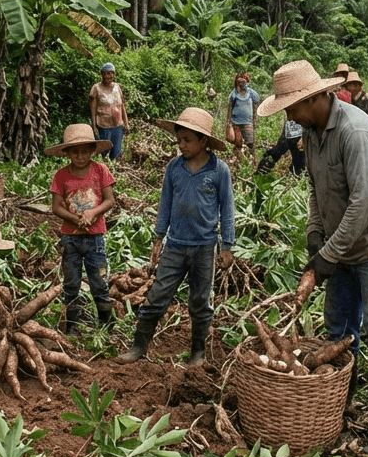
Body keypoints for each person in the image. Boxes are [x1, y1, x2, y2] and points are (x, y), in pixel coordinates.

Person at [257, 60, 368, 457]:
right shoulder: (311, 134)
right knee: (339, 330)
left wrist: (326, 256)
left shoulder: (354, 131)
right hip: (341, 247)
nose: (289, 116)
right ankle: (335, 407)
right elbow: (315, 190)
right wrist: (314, 236)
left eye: (291, 107)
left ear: (312, 98)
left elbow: (364, 204)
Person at [117, 108, 234, 367]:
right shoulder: (175, 167)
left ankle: (197, 353)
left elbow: (227, 209)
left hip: (204, 246)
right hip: (176, 245)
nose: (181, 145)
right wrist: (158, 238)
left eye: (187, 140)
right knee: (158, 295)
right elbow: (165, 204)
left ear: (204, 141)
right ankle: (138, 347)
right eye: (179, 140)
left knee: (200, 301)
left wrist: (227, 245)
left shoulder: (219, 170)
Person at [47, 124, 117, 333]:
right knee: (71, 284)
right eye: (75, 151)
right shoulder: (61, 176)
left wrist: (91, 214)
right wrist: (74, 218)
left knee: (99, 282)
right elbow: (56, 207)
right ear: (66, 153)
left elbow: (109, 200)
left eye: (84, 151)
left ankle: (106, 326)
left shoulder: (100, 170)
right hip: (71, 238)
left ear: (92, 150)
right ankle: (72, 328)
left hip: (95, 238)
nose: (80, 156)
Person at [89, 63, 128, 160]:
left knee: (116, 151)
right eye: (105, 73)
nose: (108, 76)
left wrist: (126, 123)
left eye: (110, 73)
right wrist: (94, 126)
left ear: (114, 74)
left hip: (118, 125)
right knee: (103, 151)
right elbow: (92, 108)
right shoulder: (96, 88)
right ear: (102, 74)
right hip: (103, 126)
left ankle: (113, 171)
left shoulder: (117, 87)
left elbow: (122, 105)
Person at [224, 73, 260, 161]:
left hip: (247, 122)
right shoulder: (234, 94)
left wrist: (255, 119)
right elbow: (230, 107)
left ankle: (253, 160)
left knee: (250, 142)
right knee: (238, 142)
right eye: (239, 82)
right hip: (236, 123)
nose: (241, 84)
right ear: (236, 83)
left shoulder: (250, 93)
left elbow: (256, 102)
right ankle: (241, 160)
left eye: (243, 81)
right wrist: (228, 121)